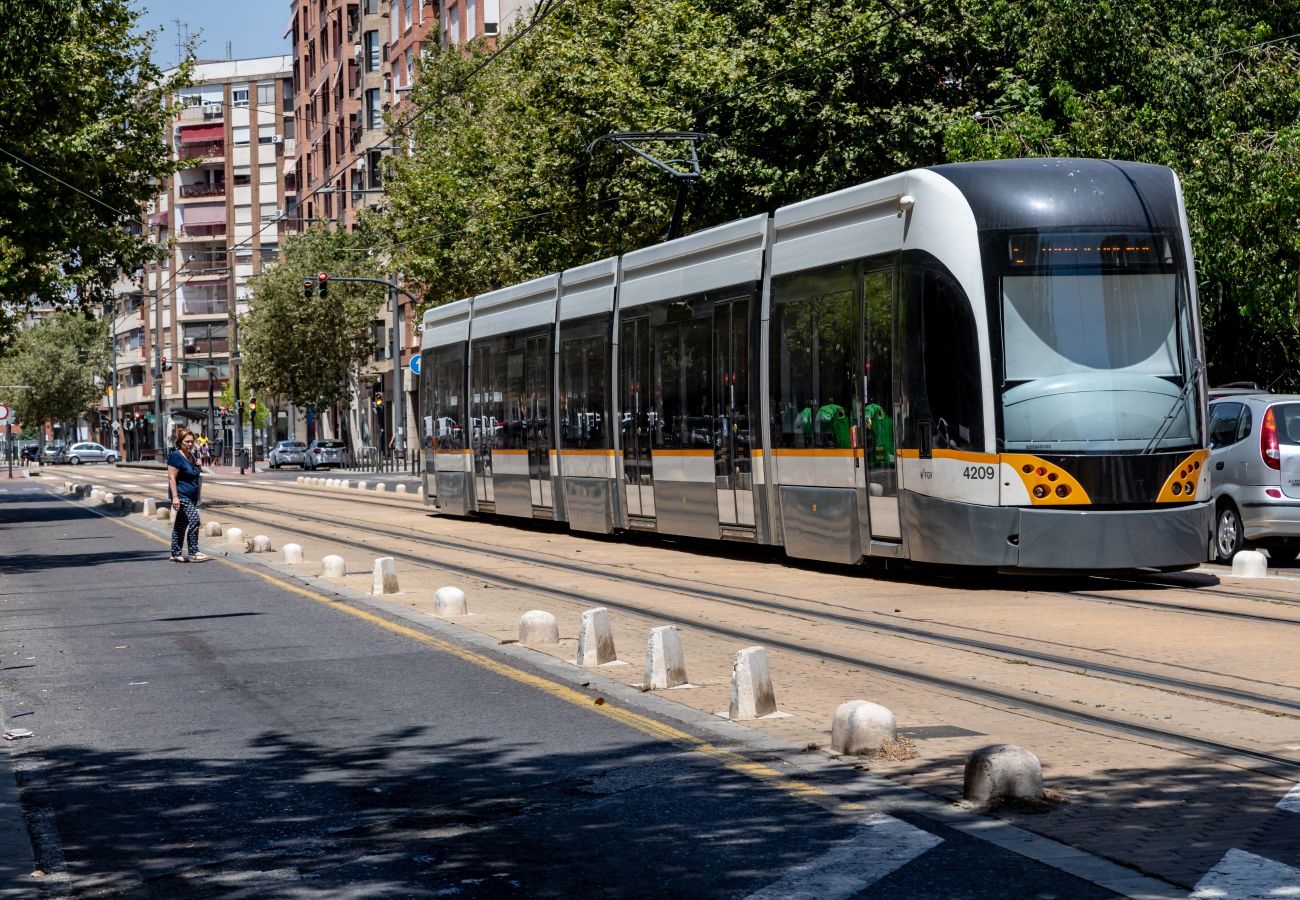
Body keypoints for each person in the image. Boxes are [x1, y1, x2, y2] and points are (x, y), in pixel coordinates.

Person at [167, 430, 209, 563]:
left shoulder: (191, 455)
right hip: (181, 495)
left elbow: (193, 475)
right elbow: (171, 477)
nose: (190, 444)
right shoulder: (176, 456)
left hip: (191, 496)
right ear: (180, 442)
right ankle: (193, 551)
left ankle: (175, 554)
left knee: (180, 524)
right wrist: (175, 497)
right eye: (187, 441)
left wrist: (198, 465)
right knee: (195, 520)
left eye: (192, 441)